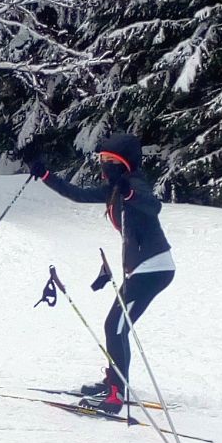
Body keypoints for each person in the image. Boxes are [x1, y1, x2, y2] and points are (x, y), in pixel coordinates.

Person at [29, 132, 175, 413]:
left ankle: (116, 395)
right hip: (141, 269)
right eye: (102, 159)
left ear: (124, 162)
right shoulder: (114, 189)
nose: (104, 164)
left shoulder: (133, 183)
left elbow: (153, 206)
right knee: (116, 326)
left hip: (153, 268)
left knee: (115, 326)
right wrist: (46, 175)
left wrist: (130, 192)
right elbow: (78, 194)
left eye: (110, 160)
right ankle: (115, 381)